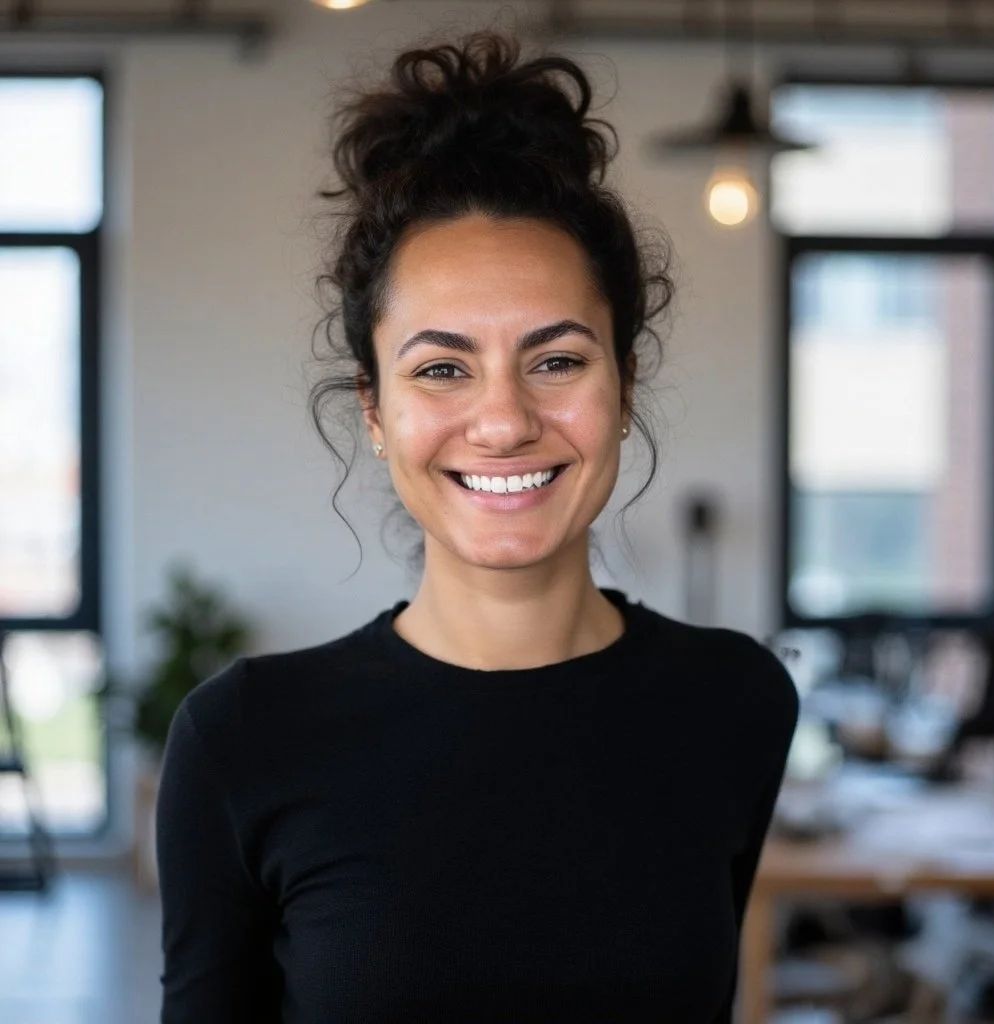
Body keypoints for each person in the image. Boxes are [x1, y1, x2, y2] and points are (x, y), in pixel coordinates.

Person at [156, 29, 799, 1024]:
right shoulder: (244, 738)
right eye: (441, 368)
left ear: (624, 389)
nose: (501, 420)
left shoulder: (734, 703)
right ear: (374, 412)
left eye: (556, 360)